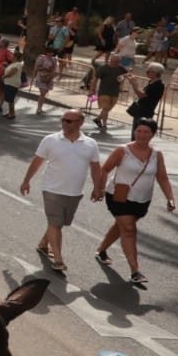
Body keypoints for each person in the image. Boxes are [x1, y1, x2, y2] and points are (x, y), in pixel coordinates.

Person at [94, 119, 177, 288]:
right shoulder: (122, 150)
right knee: (129, 230)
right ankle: (135, 271)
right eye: (139, 131)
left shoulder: (156, 155)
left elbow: (162, 177)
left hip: (142, 200)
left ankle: (101, 250)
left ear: (153, 134)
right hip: (119, 197)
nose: (142, 135)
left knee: (122, 227)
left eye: (146, 132)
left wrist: (170, 198)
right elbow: (105, 169)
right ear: (134, 131)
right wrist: (99, 189)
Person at [21, 110, 105, 272]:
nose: (64, 123)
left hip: (74, 192)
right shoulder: (50, 140)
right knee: (55, 223)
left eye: (69, 121)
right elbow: (37, 161)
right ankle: (58, 259)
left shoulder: (90, 144)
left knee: (60, 223)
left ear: (80, 123)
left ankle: (43, 244)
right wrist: (26, 181)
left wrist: (97, 187)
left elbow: (95, 167)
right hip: (51, 189)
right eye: (63, 120)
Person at [90, 53, 127, 132]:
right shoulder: (103, 68)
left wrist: (121, 83)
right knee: (106, 108)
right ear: (110, 60)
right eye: (113, 61)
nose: (115, 63)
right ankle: (104, 125)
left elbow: (125, 76)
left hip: (114, 92)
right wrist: (92, 89)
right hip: (103, 91)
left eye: (117, 61)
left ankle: (98, 119)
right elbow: (95, 79)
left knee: (106, 110)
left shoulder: (121, 69)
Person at [124, 63, 166, 127]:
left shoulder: (158, 85)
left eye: (148, 71)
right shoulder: (152, 82)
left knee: (138, 132)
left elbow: (141, 95)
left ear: (154, 73)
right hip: (141, 111)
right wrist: (135, 82)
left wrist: (133, 84)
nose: (147, 72)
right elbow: (143, 92)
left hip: (145, 113)